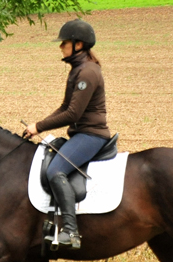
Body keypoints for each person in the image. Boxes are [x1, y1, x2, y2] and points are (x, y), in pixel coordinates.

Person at [24, 19, 111, 250]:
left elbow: (72, 114)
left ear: (78, 44)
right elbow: (64, 107)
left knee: (55, 170)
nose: (61, 46)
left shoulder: (88, 72)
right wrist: (35, 125)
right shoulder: (78, 70)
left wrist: (39, 127)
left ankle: (71, 231)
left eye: (64, 42)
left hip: (92, 136)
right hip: (81, 134)